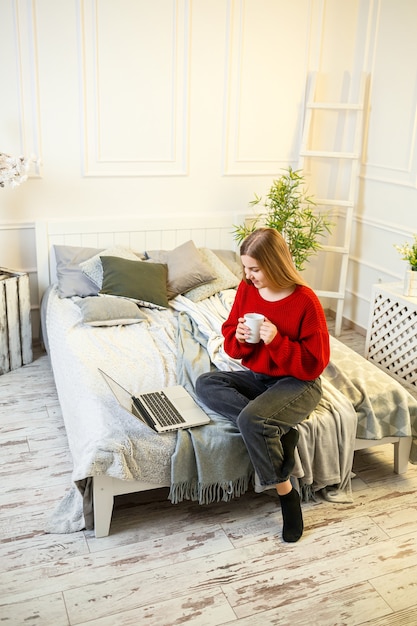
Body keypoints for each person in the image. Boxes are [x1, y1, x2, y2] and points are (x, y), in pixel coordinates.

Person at [195, 228, 330, 542]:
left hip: (299, 383)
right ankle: (276, 429)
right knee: (206, 383)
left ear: (274, 264)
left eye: (254, 269)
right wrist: (239, 338)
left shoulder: (305, 301)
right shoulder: (247, 289)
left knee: (250, 419)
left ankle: (287, 495)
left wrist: (276, 340)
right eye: (245, 267)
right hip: (260, 379)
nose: (247, 275)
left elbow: (314, 363)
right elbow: (231, 338)